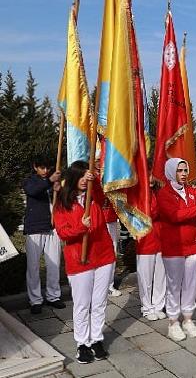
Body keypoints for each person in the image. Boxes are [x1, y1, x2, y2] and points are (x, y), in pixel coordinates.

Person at [53, 161, 115, 364]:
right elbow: (63, 232)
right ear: (71, 178)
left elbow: (100, 191)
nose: (83, 180)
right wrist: (81, 227)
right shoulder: (62, 203)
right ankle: (82, 343)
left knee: (99, 303)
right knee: (82, 304)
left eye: (85, 176)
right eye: (80, 176)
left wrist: (94, 179)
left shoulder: (93, 196)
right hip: (80, 260)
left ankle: (96, 339)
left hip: (103, 256)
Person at [157, 158, 196, 341]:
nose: (183, 174)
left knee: (191, 283)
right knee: (174, 286)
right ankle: (173, 322)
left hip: (191, 245)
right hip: (174, 247)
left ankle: (188, 318)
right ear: (172, 171)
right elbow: (174, 216)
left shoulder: (189, 191)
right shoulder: (164, 194)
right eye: (180, 170)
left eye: (185, 170)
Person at [22, 157, 65, 314]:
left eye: (47, 167)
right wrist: (49, 182)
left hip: (52, 227)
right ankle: (35, 300)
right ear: (35, 167)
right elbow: (32, 191)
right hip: (34, 228)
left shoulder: (53, 180)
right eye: (42, 167)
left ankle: (53, 296)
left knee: (54, 264)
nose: (45, 171)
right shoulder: (30, 181)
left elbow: (62, 200)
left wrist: (59, 190)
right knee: (33, 267)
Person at [135, 181, 166, 321]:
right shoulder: (137, 194)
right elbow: (149, 213)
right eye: (148, 174)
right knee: (145, 277)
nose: (151, 178)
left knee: (161, 276)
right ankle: (147, 307)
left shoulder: (159, 192)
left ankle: (158, 305)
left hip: (161, 238)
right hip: (145, 240)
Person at [92, 151, 122, 297]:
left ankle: (109, 285)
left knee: (112, 251)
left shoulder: (111, 173)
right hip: (96, 220)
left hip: (110, 218)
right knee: (96, 252)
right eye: (97, 159)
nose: (100, 161)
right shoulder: (90, 177)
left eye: (102, 159)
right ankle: (95, 285)